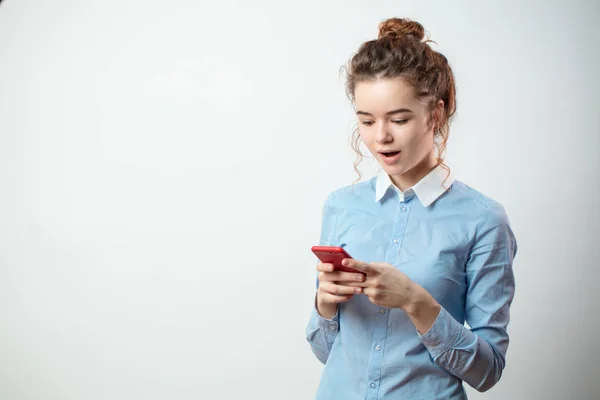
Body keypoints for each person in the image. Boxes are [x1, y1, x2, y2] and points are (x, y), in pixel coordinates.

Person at [305, 17, 518, 399]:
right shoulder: (341, 206)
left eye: (398, 119)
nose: (380, 136)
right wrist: (324, 304)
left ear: (434, 115)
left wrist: (415, 302)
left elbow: (488, 371)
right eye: (366, 121)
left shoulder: (483, 220)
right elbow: (327, 353)